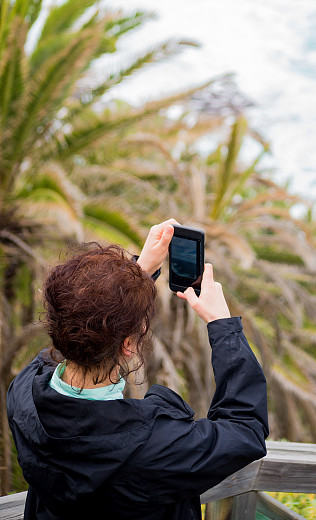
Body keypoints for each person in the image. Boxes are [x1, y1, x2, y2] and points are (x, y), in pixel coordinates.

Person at [7, 220, 269, 520]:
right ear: (129, 345)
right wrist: (222, 324)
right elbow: (245, 430)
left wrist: (137, 274)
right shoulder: (155, 446)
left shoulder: (23, 393)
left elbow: (73, 329)